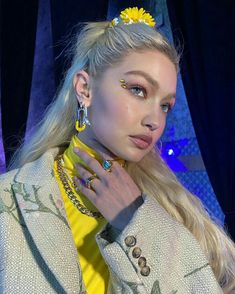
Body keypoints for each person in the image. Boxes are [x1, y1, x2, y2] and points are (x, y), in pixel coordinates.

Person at [0, 6, 234, 294]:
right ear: (85, 88)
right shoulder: (7, 199)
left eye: (165, 106)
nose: (154, 121)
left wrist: (134, 221)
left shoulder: (173, 212)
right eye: (138, 90)